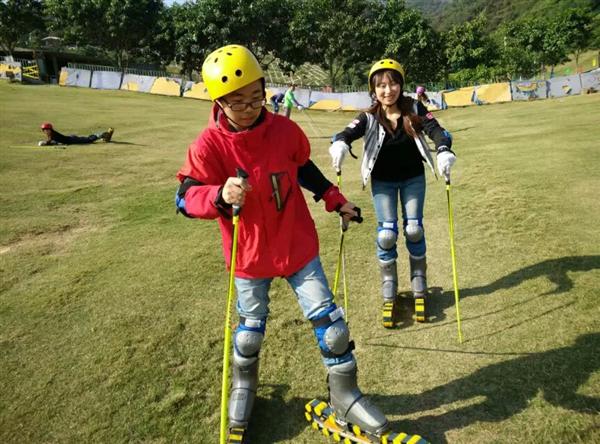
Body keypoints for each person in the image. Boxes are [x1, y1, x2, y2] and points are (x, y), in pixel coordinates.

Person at [175, 44, 391, 442]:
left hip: (296, 246)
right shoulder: (207, 146)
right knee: (249, 332)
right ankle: (244, 387)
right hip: (249, 256)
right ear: (218, 102)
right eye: (238, 102)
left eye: (256, 96)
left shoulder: (285, 130)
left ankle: (345, 397)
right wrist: (218, 195)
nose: (249, 108)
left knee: (332, 328)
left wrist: (335, 199)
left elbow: (303, 168)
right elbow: (184, 199)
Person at [329, 58, 456, 326]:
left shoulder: (414, 108)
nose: (388, 90)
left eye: (393, 84)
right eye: (381, 86)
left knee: (414, 229)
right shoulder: (369, 116)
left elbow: (437, 130)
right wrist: (339, 144)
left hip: (413, 179)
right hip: (383, 182)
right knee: (386, 234)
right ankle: (389, 288)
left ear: (401, 85)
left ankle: (419, 284)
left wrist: (444, 149)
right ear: (373, 90)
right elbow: (346, 133)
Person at [38, 122, 114, 146]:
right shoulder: (50, 134)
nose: (46, 131)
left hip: (72, 140)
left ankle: (101, 134)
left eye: (47, 130)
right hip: (70, 139)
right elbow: (54, 141)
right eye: (44, 130)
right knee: (86, 139)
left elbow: (51, 140)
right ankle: (103, 136)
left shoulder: (53, 134)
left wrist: (45, 143)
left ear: (50, 129)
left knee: (88, 140)